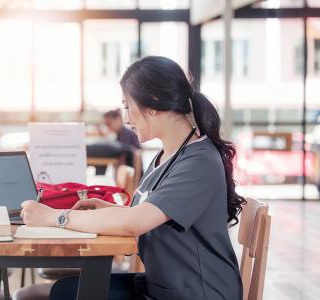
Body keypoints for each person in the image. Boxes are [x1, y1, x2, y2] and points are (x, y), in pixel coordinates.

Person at [20, 56, 244, 300]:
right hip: (167, 286)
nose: (126, 119)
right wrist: (109, 210)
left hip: (199, 293)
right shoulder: (166, 156)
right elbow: (142, 214)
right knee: (66, 290)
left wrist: (54, 217)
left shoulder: (198, 162)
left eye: (127, 106)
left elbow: (134, 222)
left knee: (70, 295)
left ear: (154, 103)